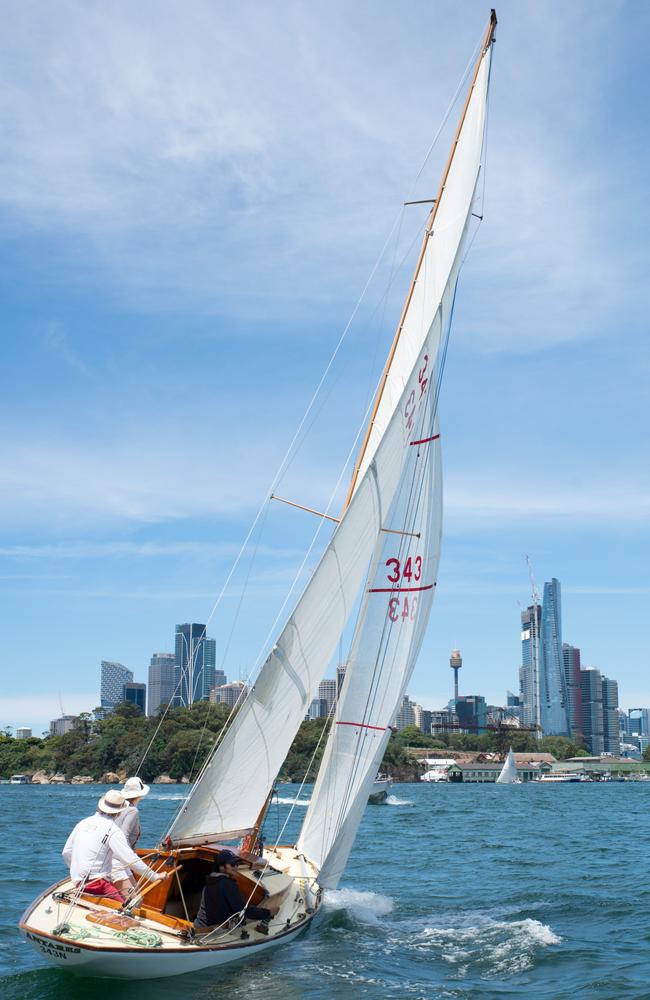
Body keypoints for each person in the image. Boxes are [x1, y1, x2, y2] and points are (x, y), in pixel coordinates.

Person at [62, 789, 168, 903]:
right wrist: (154, 876)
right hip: (98, 884)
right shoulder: (113, 830)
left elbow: (66, 852)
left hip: (78, 881)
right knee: (134, 905)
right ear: (119, 812)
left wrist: (77, 873)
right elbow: (129, 858)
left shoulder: (82, 823)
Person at [194, 850, 280, 931]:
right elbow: (242, 910)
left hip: (198, 926)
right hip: (211, 932)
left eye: (237, 863)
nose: (236, 867)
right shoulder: (226, 883)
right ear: (221, 867)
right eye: (232, 864)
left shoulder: (211, 880)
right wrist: (268, 913)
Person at [111, 775, 150, 897]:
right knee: (136, 900)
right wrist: (131, 860)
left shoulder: (117, 807)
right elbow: (124, 836)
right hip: (119, 860)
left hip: (110, 856)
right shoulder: (132, 810)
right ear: (140, 794)